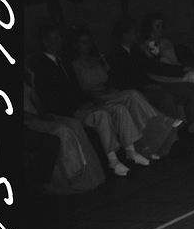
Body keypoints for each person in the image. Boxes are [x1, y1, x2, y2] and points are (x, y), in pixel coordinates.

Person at [31, 23, 147, 177]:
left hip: (81, 104)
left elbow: (75, 88)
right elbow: (50, 96)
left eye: (59, 37)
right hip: (67, 110)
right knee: (101, 115)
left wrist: (89, 99)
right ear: (45, 41)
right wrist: (78, 105)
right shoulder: (40, 66)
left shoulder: (63, 61)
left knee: (119, 109)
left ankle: (131, 150)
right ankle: (112, 160)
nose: (59, 41)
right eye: (55, 38)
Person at [70, 27, 180, 160]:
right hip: (94, 97)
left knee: (134, 101)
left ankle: (150, 144)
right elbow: (79, 88)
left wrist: (109, 82)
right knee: (132, 94)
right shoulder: (74, 64)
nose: (87, 45)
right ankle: (162, 121)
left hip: (108, 93)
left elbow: (109, 78)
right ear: (76, 45)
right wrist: (92, 96)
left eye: (88, 41)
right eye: (83, 42)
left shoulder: (97, 60)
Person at [105, 18, 194, 131]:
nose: (137, 35)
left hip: (152, 85)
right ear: (125, 35)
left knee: (190, 88)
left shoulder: (135, 50)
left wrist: (182, 69)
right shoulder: (115, 55)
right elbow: (122, 80)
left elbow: (154, 66)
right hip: (138, 91)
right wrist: (144, 87)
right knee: (165, 97)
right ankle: (172, 132)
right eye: (134, 32)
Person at [22, 68, 106, 194]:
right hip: (27, 122)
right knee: (62, 130)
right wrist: (38, 117)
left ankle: (90, 175)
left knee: (75, 124)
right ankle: (72, 174)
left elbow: (36, 100)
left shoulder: (27, 75)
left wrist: (44, 114)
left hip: (38, 116)